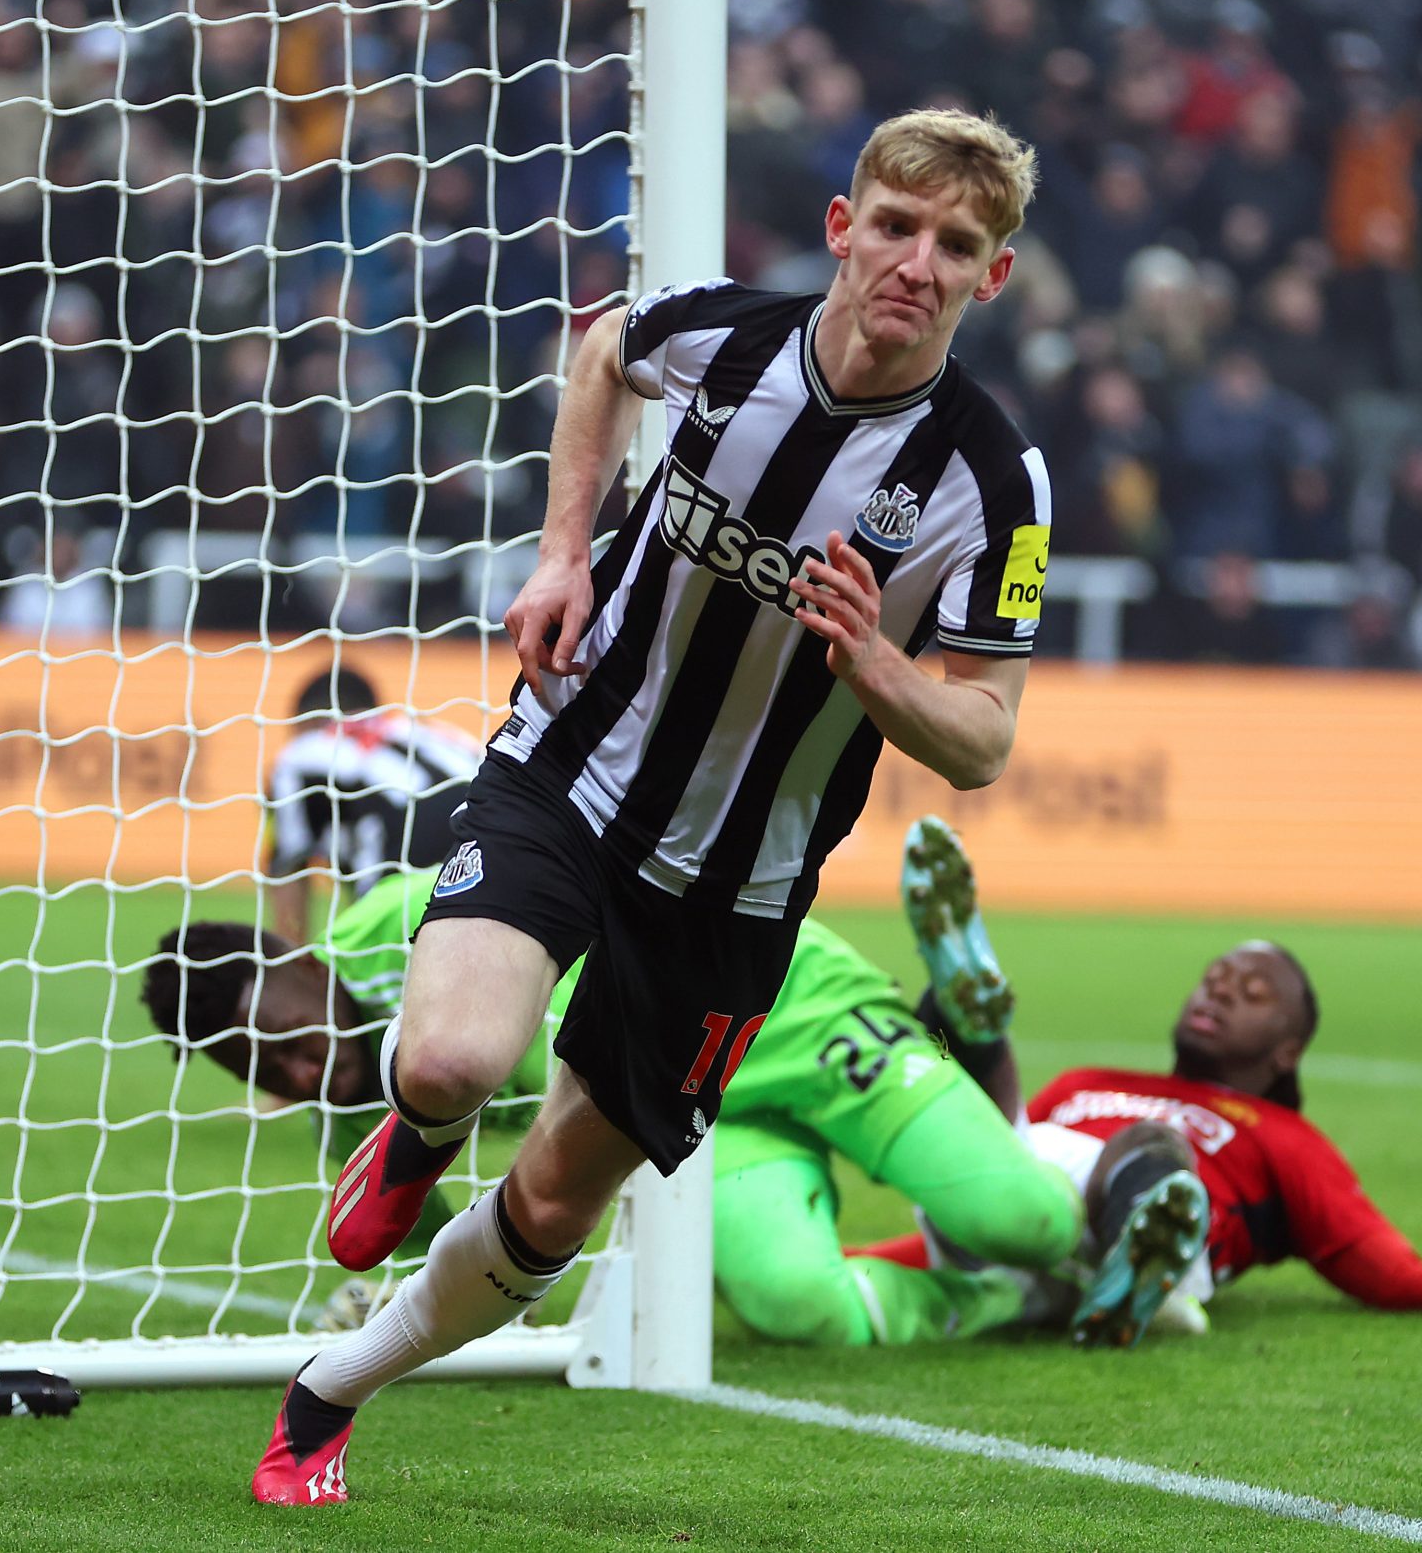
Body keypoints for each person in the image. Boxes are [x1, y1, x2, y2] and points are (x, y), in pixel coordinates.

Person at [249, 108, 1056, 1505]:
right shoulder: (727, 338)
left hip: (735, 888)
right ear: (841, 230)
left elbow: (983, 737)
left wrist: (874, 663)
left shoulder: (995, 483)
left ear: (991, 277)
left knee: (559, 1201)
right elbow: (601, 352)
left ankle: (330, 1390)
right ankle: (417, 1132)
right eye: (896, 226)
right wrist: (564, 553)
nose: (917, 263)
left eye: (957, 245)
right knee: (446, 1057)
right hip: (571, 767)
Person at [144, 821, 1209, 1358]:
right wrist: (383, 1298)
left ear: (293, 961)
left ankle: (1115, 1189)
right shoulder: (361, 1108)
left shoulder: (428, 925)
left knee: (1012, 1211)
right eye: (261, 1071)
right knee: (796, 1308)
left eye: (282, 1036)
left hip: (789, 1010)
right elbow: (410, 1236)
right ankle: (1036, 1294)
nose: (296, 1070)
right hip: (692, 1112)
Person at [857, 939, 1422, 1314]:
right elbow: (1006, 1166)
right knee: (1003, 1149)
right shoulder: (1088, 1083)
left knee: (1142, 1157)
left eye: (1250, 991)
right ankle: (960, 1024)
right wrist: (848, 1257)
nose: (1217, 989)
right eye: (1213, 977)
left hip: (1158, 1232)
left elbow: (1401, 1278)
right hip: (1018, 1233)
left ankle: (1145, 1252)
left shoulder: (1283, 1140)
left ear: (1288, 1048)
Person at [261, 660, 484, 945]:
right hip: (492, 837)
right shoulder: (431, 730)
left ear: (308, 722)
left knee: (363, 971)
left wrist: (291, 955)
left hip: (406, 868)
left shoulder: (297, 756)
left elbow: (287, 869)